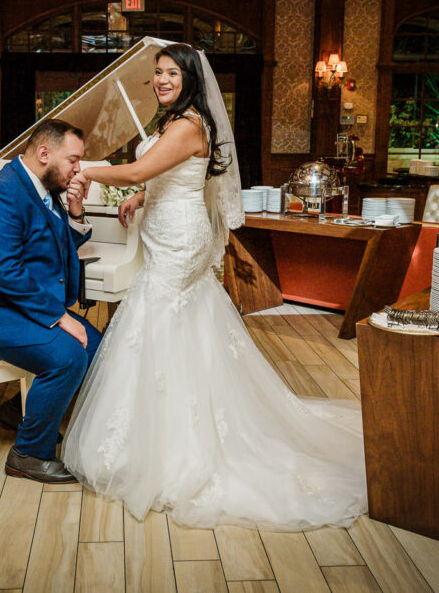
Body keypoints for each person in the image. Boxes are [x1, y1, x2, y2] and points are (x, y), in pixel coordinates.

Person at [61, 43, 367, 530]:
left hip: (180, 241)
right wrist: (141, 196)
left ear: (190, 79)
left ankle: (173, 446)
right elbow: (172, 174)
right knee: (178, 323)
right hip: (169, 228)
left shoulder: (188, 125)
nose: (161, 80)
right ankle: (167, 424)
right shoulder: (174, 123)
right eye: (157, 73)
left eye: (171, 74)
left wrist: (78, 167)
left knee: (158, 315)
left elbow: (142, 166)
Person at [0, 119, 102, 484]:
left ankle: (18, 410)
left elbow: (52, 247)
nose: (79, 169)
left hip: (15, 307)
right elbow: (5, 271)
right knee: (69, 356)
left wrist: (76, 212)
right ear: (44, 153)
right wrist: (59, 317)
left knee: (98, 350)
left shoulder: (42, 189)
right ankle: (28, 453)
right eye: (73, 160)